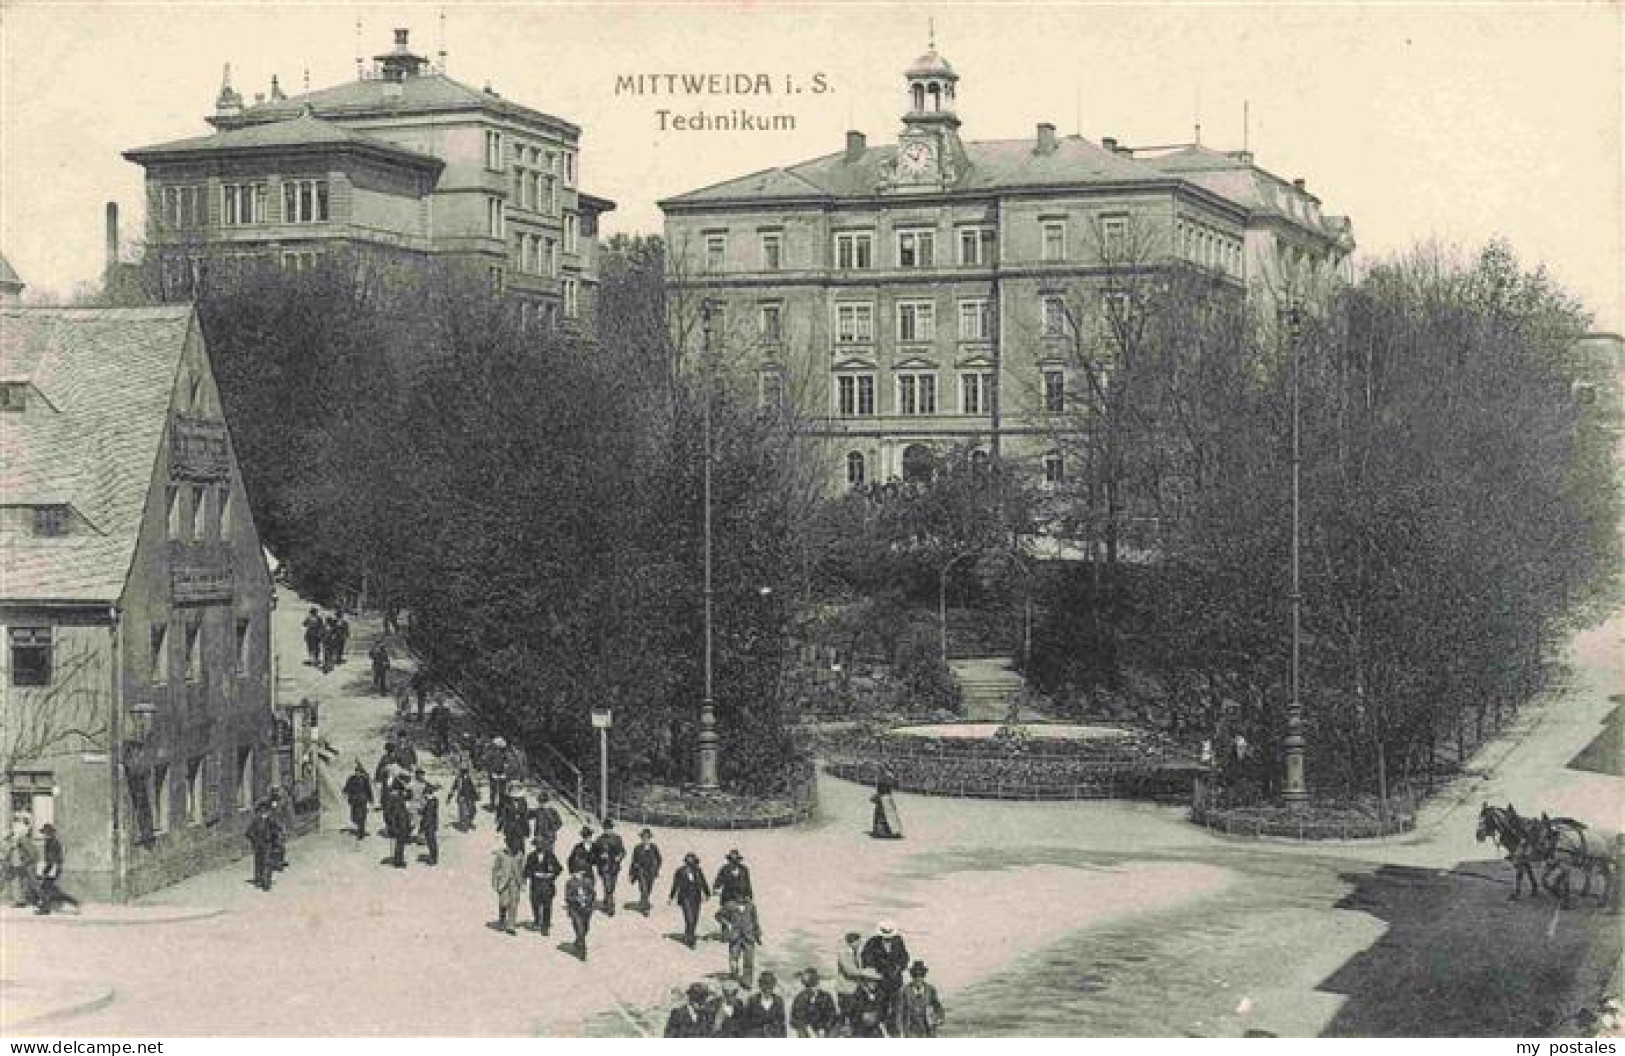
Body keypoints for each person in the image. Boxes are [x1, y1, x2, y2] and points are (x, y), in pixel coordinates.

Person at [861, 921, 911, 1024]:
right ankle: (880, 1029)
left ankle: (893, 1028)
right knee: (880, 1007)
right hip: (880, 982)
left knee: (896, 1007)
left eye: (890, 935)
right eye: (885, 935)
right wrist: (875, 972)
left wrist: (899, 967)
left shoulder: (898, 940)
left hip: (895, 981)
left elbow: (904, 957)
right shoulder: (872, 942)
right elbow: (866, 959)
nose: (888, 938)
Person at [523, 835, 564, 935]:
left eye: (541, 845)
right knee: (535, 903)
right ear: (535, 846)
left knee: (547, 905)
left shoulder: (550, 855)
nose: (539, 847)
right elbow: (526, 870)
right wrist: (532, 874)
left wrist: (551, 875)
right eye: (537, 845)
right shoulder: (531, 856)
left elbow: (559, 868)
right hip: (535, 885)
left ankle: (545, 926)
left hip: (547, 885)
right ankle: (537, 920)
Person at [669, 851, 711, 947]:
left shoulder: (698, 870)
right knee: (689, 919)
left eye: (692, 860)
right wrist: (671, 897)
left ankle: (688, 935)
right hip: (685, 897)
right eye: (688, 860)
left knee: (695, 919)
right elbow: (675, 884)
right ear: (686, 861)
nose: (690, 862)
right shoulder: (680, 871)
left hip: (696, 897)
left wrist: (707, 893)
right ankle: (691, 942)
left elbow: (703, 882)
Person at [894, 960, 945, 1037]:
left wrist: (939, 1018)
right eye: (915, 975)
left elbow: (938, 1007)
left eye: (921, 975)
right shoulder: (904, 991)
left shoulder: (930, 990)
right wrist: (901, 1030)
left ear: (924, 976)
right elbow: (899, 1012)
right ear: (912, 976)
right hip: (910, 1030)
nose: (918, 978)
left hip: (928, 1030)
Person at [35, 825, 79, 914]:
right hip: (53, 867)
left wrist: (47, 870)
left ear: (50, 833)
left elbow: (52, 858)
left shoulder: (52, 842)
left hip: (54, 867)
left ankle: (45, 908)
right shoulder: (51, 841)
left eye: (45, 833)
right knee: (50, 888)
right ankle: (73, 901)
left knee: (46, 887)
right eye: (43, 833)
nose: (44, 835)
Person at [718, 897, 762, 985]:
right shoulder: (729, 905)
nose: (744, 897)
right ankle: (734, 975)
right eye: (741, 895)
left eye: (746, 895)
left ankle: (747, 981)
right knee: (734, 958)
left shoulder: (751, 906)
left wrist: (757, 935)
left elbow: (755, 920)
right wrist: (728, 924)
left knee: (749, 960)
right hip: (735, 937)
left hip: (748, 937)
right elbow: (718, 916)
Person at [790, 968, 839, 1038]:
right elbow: (797, 1018)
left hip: (825, 1029)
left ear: (817, 983)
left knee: (836, 1026)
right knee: (801, 1031)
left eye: (814, 985)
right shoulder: (800, 998)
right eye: (808, 986)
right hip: (807, 1030)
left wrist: (824, 1028)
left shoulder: (826, 996)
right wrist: (809, 1029)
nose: (812, 988)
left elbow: (832, 1015)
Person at [591, 818, 626, 915]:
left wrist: (619, 857)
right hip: (604, 867)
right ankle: (611, 908)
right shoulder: (599, 840)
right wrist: (599, 856)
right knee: (608, 886)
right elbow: (593, 854)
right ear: (603, 828)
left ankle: (607, 901)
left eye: (609, 828)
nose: (608, 830)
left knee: (612, 887)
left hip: (614, 867)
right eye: (606, 828)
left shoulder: (617, 838)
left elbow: (623, 851)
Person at [6, 817, 40, 909]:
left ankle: (41, 900)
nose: (13, 830)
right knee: (20, 882)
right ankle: (21, 901)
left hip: (26, 864)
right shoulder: (16, 841)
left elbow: (33, 854)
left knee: (32, 883)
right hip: (18, 865)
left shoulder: (23, 840)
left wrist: (25, 862)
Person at [835, 930, 866, 1026]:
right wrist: (869, 973)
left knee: (856, 1017)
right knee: (845, 1017)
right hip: (846, 991)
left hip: (857, 991)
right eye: (859, 941)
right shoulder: (843, 954)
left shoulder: (858, 954)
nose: (860, 943)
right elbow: (850, 971)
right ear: (853, 942)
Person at [490, 842, 523, 935]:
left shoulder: (520, 855)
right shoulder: (501, 855)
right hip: (503, 882)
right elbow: (495, 869)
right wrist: (495, 882)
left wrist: (522, 881)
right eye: (512, 845)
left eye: (516, 845)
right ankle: (502, 920)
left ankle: (511, 925)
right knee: (504, 902)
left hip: (515, 882)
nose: (514, 847)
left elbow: (522, 868)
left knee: (513, 903)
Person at [564, 867, 596, 959]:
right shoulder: (570, 883)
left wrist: (587, 899)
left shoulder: (587, 881)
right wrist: (576, 899)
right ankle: (582, 951)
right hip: (575, 910)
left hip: (586, 909)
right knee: (580, 929)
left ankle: (578, 940)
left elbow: (593, 894)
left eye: (579, 873)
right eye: (575, 873)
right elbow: (567, 897)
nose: (577, 875)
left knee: (586, 928)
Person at [629, 828, 663, 914]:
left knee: (649, 889)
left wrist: (657, 869)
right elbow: (633, 861)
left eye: (647, 838)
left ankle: (644, 901)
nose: (645, 839)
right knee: (643, 888)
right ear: (641, 838)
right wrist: (631, 873)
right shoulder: (637, 848)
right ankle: (644, 908)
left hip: (651, 871)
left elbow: (659, 859)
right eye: (643, 838)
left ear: (650, 838)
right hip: (641, 871)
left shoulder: (654, 848)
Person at [746, 970, 788, 1038]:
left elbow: (781, 1021)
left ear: (773, 986)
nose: (767, 989)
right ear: (760, 986)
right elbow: (746, 1021)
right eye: (764, 985)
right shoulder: (752, 1000)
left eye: (770, 986)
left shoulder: (778, 1000)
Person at [846, 973, 890, 1037]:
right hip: (860, 1027)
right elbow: (851, 1011)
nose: (874, 983)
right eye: (871, 981)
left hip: (876, 1026)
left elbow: (882, 1010)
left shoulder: (880, 994)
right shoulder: (858, 994)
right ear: (866, 981)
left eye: (875, 981)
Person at [246, 803, 277, 891]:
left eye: (266, 811)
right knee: (259, 863)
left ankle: (266, 883)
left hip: (268, 845)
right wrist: (255, 840)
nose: (264, 813)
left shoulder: (270, 821)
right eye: (262, 811)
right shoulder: (256, 821)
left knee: (267, 863)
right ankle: (259, 880)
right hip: (258, 845)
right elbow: (248, 832)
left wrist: (274, 840)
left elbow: (276, 831)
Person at [386, 780, 413, 868]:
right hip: (397, 823)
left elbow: (409, 796)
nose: (402, 791)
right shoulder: (392, 798)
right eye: (400, 790)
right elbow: (388, 813)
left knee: (400, 842)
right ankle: (398, 862)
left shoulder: (399, 796)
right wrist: (390, 824)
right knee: (399, 843)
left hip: (402, 822)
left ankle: (399, 860)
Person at [342, 763, 373, 839]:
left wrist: (371, 799)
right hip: (354, 800)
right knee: (354, 817)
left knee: (362, 817)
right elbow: (347, 787)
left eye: (359, 772)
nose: (358, 773)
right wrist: (345, 791)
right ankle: (360, 829)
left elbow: (368, 789)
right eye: (356, 772)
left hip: (362, 800)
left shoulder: (364, 779)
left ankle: (361, 833)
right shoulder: (351, 778)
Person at [266, 788, 291, 871]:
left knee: (281, 845)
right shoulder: (271, 802)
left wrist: (284, 825)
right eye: (274, 791)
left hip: (279, 825)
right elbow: (272, 814)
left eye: (277, 791)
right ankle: (276, 863)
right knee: (276, 845)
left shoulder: (280, 802)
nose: (276, 793)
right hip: (273, 826)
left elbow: (284, 813)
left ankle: (280, 861)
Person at [451, 766, 479, 830]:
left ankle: (469, 822)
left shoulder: (469, 779)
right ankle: (464, 826)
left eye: (466, 772)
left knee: (473, 811)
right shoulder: (458, 780)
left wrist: (476, 796)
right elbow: (453, 788)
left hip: (470, 797)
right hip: (462, 797)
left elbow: (473, 788)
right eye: (463, 772)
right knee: (463, 812)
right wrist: (450, 797)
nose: (464, 774)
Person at [419, 785, 440, 866]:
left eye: (425, 794)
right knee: (432, 842)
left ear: (428, 793)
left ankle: (433, 859)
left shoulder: (430, 803)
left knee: (431, 842)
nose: (424, 796)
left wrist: (422, 828)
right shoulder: (433, 801)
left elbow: (428, 816)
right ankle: (433, 857)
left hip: (429, 826)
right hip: (432, 824)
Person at [485, 738, 509, 810]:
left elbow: (507, 763)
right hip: (493, 773)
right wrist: (492, 773)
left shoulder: (505, 753)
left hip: (502, 773)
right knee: (493, 790)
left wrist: (505, 772)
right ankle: (492, 805)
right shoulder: (491, 753)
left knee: (502, 790)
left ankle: (501, 805)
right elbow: (488, 763)